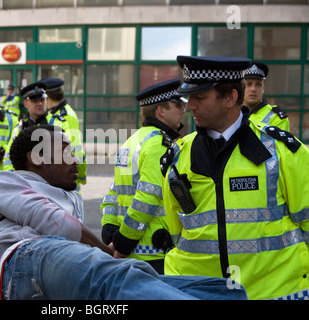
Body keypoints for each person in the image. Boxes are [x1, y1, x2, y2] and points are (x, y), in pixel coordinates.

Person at [0, 124, 248, 300]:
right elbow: (57, 225)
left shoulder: (69, 194)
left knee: (222, 290)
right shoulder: (2, 180)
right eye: (66, 151)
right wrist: (110, 254)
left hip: (58, 269)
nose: (76, 160)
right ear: (36, 158)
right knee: (123, 273)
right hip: (23, 259)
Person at [161, 55, 309, 300]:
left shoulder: (282, 152)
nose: (190, 107)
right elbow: (178, 232)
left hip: (272, 293)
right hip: (198, 293)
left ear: (230, 97)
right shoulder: (178, 157)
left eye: (199, 97)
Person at [100, 78, 186, 274]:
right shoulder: (158, 144)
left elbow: (113, 194)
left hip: (128, 249)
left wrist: (111, 232)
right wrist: (123, 242)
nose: (183, 110)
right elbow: (147, 198)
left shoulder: (132, 140)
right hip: (152, 252)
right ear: (161, 110)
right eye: (177, 105)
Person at [38, 77, 87, 187]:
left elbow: (74, 148)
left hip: (66, 180)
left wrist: (79, 175)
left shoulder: (66, 116)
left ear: (48, 96)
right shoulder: (56, 112)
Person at [3, 81, 50, 171]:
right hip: (25, 181)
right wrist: (13, 177)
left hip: (51, 181)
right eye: (35, 101)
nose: (40, 103)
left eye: (42, 100)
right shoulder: (19, 128)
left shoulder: (57, 123)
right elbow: (9, 156)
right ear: (25, 104)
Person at [243, 61, 290, 131]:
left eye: (258, 84)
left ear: (263, 88)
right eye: (249, 84)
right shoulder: (233, 114)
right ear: (241, 87)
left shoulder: (276, 117)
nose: (253, 89)